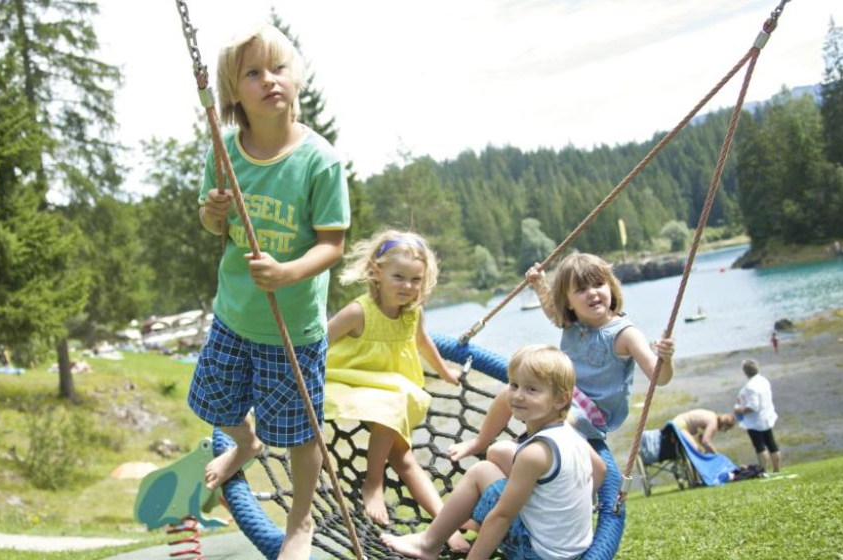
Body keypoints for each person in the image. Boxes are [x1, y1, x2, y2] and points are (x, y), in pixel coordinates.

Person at [187, 24, 350, 560]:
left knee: (301, 434)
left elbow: (332, 245)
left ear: (296, 77)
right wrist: (212, 216)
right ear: (234, 92)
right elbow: (219, 227)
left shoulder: (318, 160)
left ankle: (299, 522)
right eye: (253, 73)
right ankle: (246, 443)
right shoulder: (224, 150)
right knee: (211, 400)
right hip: (235, 314)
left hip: (293, 328)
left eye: (278, 68)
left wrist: (288, 273)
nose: (268, 80)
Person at [382, 345, 606, 560]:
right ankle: (458, 526)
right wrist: (564, 508)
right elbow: (600, 469)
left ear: (560, 399)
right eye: (514, 385)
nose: (518, 396)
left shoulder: (535, 453)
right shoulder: (570, 432)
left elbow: (502, 516)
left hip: (536, 553)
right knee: (498, 455)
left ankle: (427, 544)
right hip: (574, 547)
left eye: (532, 389)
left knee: (481, 471)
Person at [449, 253, 675, 463]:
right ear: (568, 302)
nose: (592, 293)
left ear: (611, 288)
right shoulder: (573, 324)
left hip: (592, 411)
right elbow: (550, 309)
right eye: (581, 290)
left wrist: (665, 359)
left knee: (556, 421)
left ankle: (533, 453)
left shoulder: (625, 335)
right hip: (563, 395)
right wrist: (540, 284)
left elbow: (660, 378)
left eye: (598, 284)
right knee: (508, 394)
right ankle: (481, 441)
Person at [324, 230, 466, 548]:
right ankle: (373, 482)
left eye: (415, 279)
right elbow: (318, 346)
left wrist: (444, 372)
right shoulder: (358, 312)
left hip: (390, 388)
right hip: (348, 380)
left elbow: (422, 341)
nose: (407, 286)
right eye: (399, 277)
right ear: (376, 272)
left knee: (404, 459)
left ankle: (445, 526)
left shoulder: (414, 312)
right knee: (393, 399)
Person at [734, 359, 780, 473]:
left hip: (755, 422)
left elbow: (753, 406)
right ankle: (776, 469)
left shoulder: (750, 386)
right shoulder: (764, 381)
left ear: (745, 372)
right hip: (767, 416)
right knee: (772, 444)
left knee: (760, 447)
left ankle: (763, 470)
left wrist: (740, 411)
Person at [640, 409, 735, 463]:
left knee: (698, 449)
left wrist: (706, 450)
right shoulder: (713, 423)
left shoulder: (712, 415)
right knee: (695, 449)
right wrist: (717, 454)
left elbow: (701, 439)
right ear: (725, 426)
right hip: (681, 426)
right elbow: (706, 441)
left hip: (678, 421)